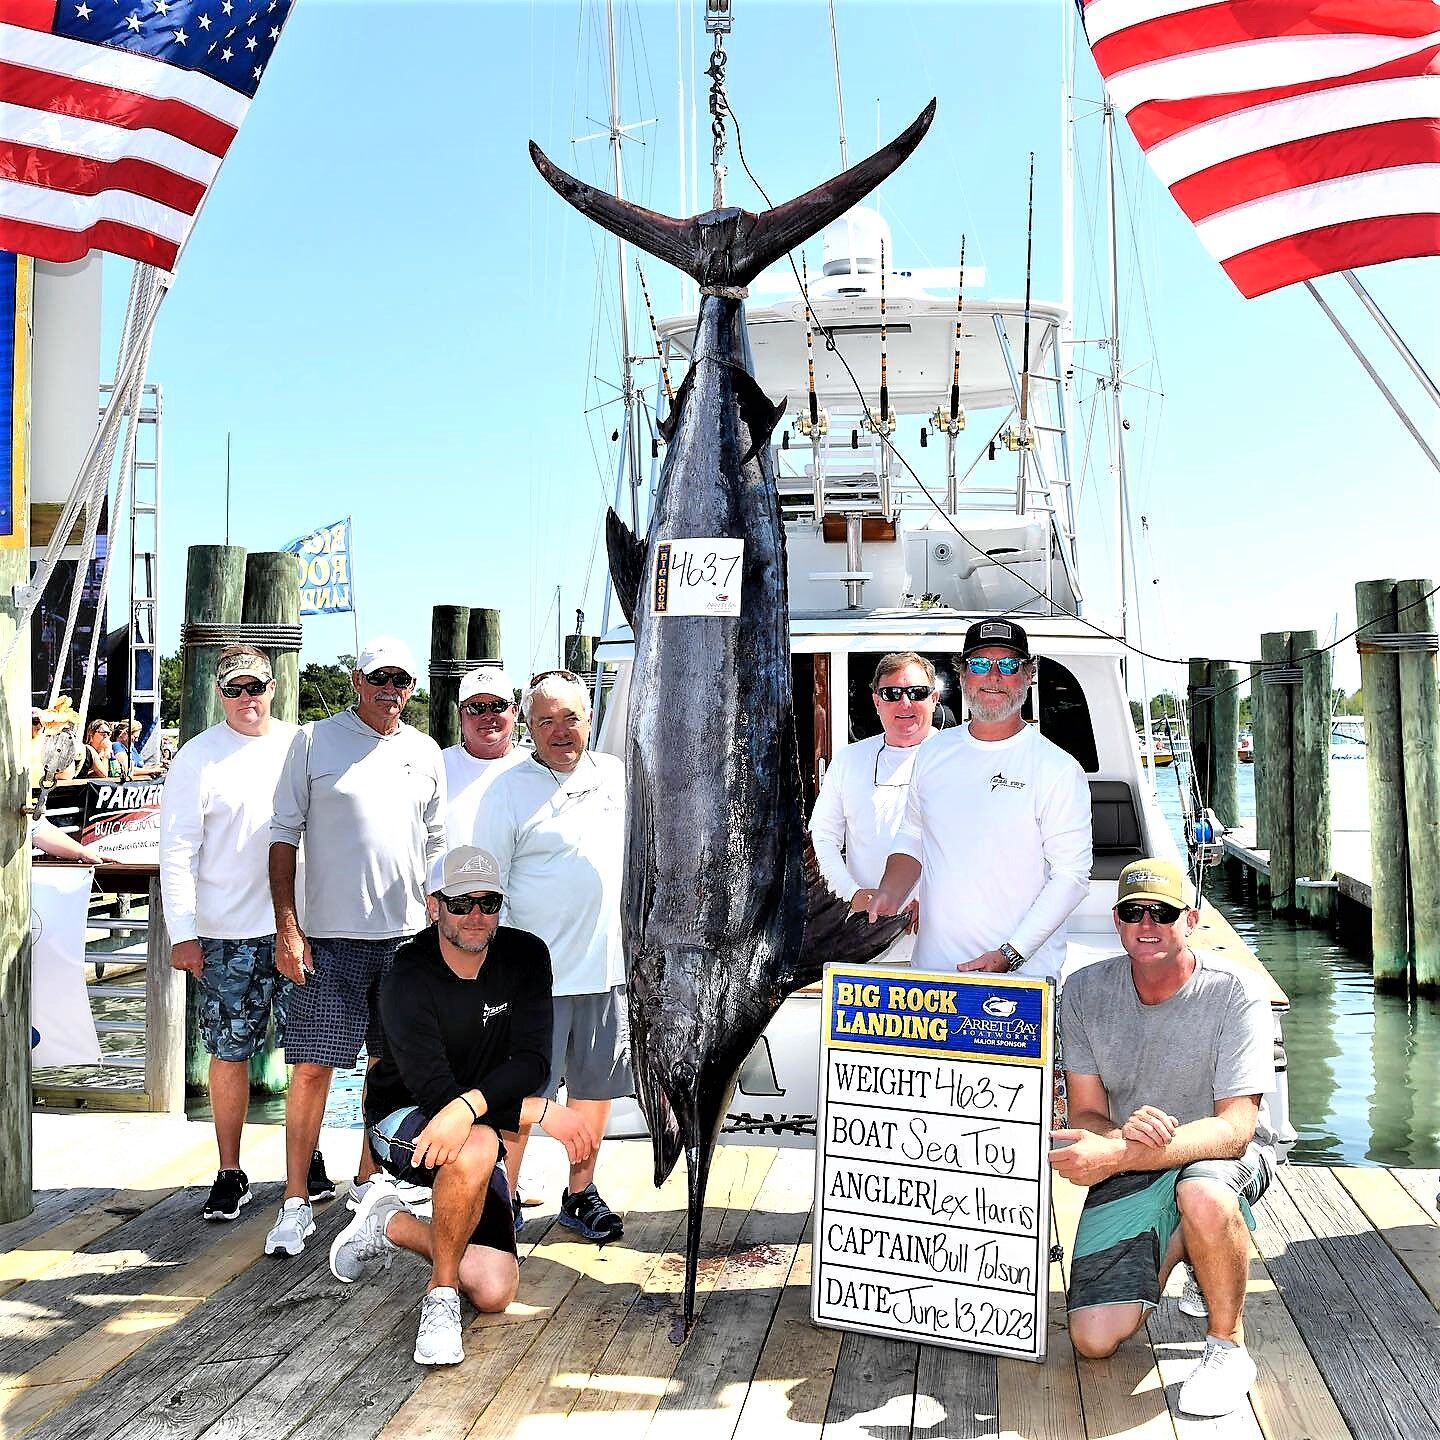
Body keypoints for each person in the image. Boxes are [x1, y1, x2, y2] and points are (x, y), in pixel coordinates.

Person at [328, 844, 598, 1366]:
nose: (476, 916)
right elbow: (435, 1095)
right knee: (476, 1146)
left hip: (473, 1120)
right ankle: (441, 1297)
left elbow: (533, 1063)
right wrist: (540, 1112)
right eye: (460, 903)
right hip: (402, 1118)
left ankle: (389, 1223)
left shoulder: (527, 955)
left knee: (496, 1289)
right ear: (434, 906)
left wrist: (475, 1103)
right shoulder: (404, 975)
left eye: (488, 902)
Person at [1049, 857, 1278, 1418]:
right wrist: (1118, 1134)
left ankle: (1227, 1347)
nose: (1146, 924)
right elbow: (1085, 1111)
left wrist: (1120, 1150)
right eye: (1133, 912)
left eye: (1163, 912)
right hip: (1137, 1158)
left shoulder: (1236, 995)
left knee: (1203, 1192)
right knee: (1094, 1339)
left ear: (1192, 920)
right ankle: (1191, 1247)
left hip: (1223, 1157)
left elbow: (1235, 1128)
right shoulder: (1080, 993)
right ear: (1116, 921)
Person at [265, 636, 447, 1256]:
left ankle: (371, 1184)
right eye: (378, 677)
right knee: (312, 1068)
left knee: (389, 1068)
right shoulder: (312, 741)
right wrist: (287, 927)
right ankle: (294, 1200)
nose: (390, 687)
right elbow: (283, 838)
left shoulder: (425, 752)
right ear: (356, 682)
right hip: (327, 940)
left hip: (405, 941)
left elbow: (436, 846)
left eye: (401, 678)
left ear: (411, 687)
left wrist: (440, 927)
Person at [475, 670, 630, 1242]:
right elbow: (484, 887)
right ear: (528, 725)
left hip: (608, 970)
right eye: (546, 720)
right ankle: (504, 1199)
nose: (560, 731)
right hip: (531, 982)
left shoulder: (618, 775)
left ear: (590, 719)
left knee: (595, 1091)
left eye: (571, 717)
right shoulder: (506, 790)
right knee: (520, 1097)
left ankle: (580, 1193)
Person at [160, 646, 312, 1223]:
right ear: (220, 694)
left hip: (296, 927)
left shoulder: (302, 746)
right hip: (224, 934)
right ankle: (230, 1170)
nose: (247, 699)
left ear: (274, 687)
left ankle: (307, 1158)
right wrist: (185, 932)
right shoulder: (197, 758)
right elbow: (176, 850)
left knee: (307, 1054)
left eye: (257, 687)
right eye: (235, 689)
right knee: (229, 1053)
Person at [867, 619, 1091, 981]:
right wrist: (890, 892)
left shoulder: (1058, 768)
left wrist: (1011, 953)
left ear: (1029, 676)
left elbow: (1072, 877)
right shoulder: (933, 752)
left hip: (1021, 978)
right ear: (962, 676)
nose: (994, 677)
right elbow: (912, 835)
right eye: (981, 665)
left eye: (1008, 666)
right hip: (933, 975)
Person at [809, 651, 939, 963]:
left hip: (943, 941)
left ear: (934, 698)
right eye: (892, 694)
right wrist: (850, 893)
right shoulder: (848, 761)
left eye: (916, 693)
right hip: (866, 943)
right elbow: (821, 839)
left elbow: (978, 848)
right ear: (876, 701)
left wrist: (935, 900)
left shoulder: (960, 760)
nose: (904, 704)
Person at [442, 665, 526, 848]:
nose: (488, 716)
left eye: (498, 706)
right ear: (460, 714)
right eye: (476, 708)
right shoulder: (436, 767)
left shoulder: (536, 766)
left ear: (514, 710)